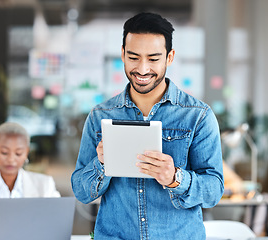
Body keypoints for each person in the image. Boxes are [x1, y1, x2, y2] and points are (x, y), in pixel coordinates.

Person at [71, 12, 224, 239]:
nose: (142, 69)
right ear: (122, 54)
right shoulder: (100, 116)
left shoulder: (198, 116)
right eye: (134, 57)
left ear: (169, 57)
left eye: (153, 59)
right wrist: (101, 163)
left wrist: (175, 178)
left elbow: (213, 190)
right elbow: (82, 192)